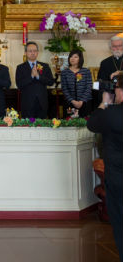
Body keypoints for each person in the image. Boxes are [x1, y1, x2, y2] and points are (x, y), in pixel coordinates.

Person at [87, 75, 123, 261]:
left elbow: (92, 123)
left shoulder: (112, 114)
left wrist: (104, 103)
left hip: (117, 177)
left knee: (119, 220)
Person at [15, 41, 55, 118]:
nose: (32, 53)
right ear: (25, 53)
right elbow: (19, 84)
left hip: (42, 103)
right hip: (27, 104)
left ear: (37, 52)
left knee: (42, 128)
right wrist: (31, 77)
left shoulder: (45, 66)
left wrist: (38, 77)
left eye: (35, 51)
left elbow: (51, 82)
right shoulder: (20, 67)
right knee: (28, 128)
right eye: (30, 51)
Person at [60, 49, 93, 118]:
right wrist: (73, 101)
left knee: (85, 123)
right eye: (71, 56)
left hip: (84, 103)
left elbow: (89, 86)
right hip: (70, 103)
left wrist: (82, 101)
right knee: (70, 123)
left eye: (75, 57)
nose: (72, 59)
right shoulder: (64, 72)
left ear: (80, 59)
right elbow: (64, 88)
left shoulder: (86, 71)